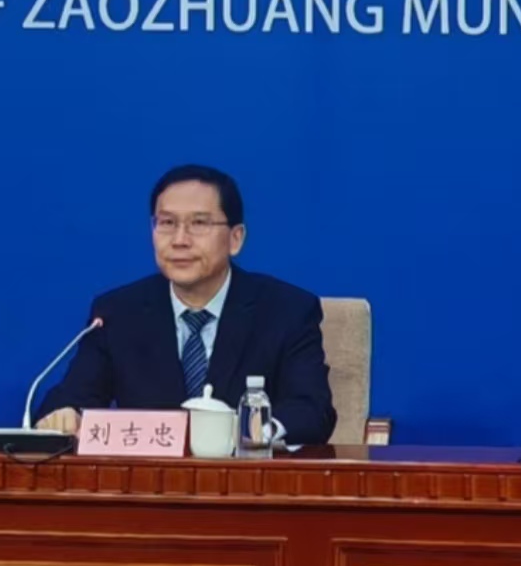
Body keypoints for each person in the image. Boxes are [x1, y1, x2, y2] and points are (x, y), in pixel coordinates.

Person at [34, 164, 335, 446]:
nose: (179, 240)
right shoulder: (117, 313)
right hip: (149, 481)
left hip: (248, 477)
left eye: (199, 223)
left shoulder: (287, 310)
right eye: (167, 223)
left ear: (235, 239)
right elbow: (69, 399)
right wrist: (64, 415)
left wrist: (253, 432)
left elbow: (312, 410)